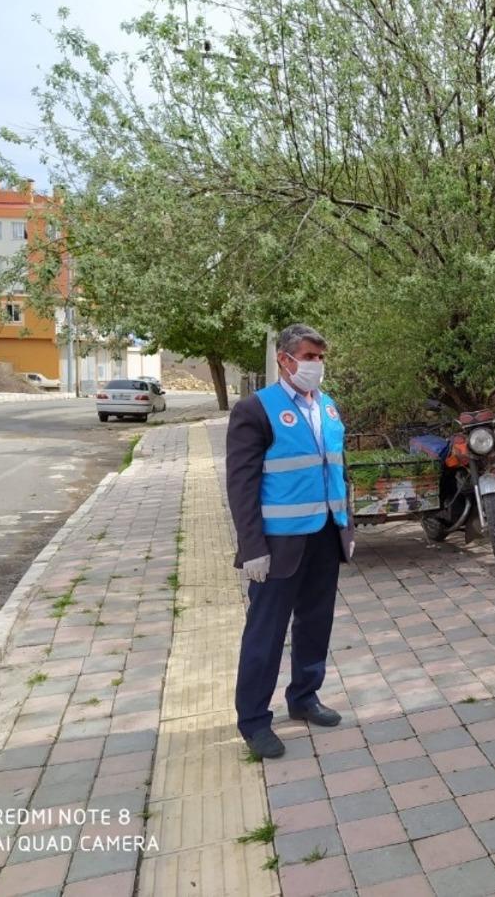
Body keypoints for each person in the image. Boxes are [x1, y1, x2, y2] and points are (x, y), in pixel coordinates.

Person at [226, 322, 354, 759]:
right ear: (285, 359)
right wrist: (252, 548)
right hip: (278, 545)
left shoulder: (329, 407)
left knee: (316, 623)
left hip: (324, 535)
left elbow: (337, 469)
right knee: (266, 631)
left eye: (320, 357)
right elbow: (240, 486)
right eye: (308, 356)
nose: (316, 365)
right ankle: (254, 721)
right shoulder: (256, 409)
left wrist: (346, 526)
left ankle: (303, 697)